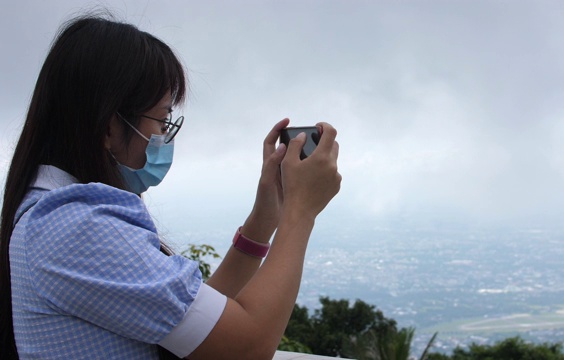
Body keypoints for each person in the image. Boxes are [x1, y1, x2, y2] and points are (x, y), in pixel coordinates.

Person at [0, 14, 341, 360]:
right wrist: (301, 212)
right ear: (109, 128)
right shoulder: (75, 228)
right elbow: (246, 348)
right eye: (162, 120)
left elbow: (196, 321)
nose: (165, 136)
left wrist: (267, 216)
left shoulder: (51, 215)